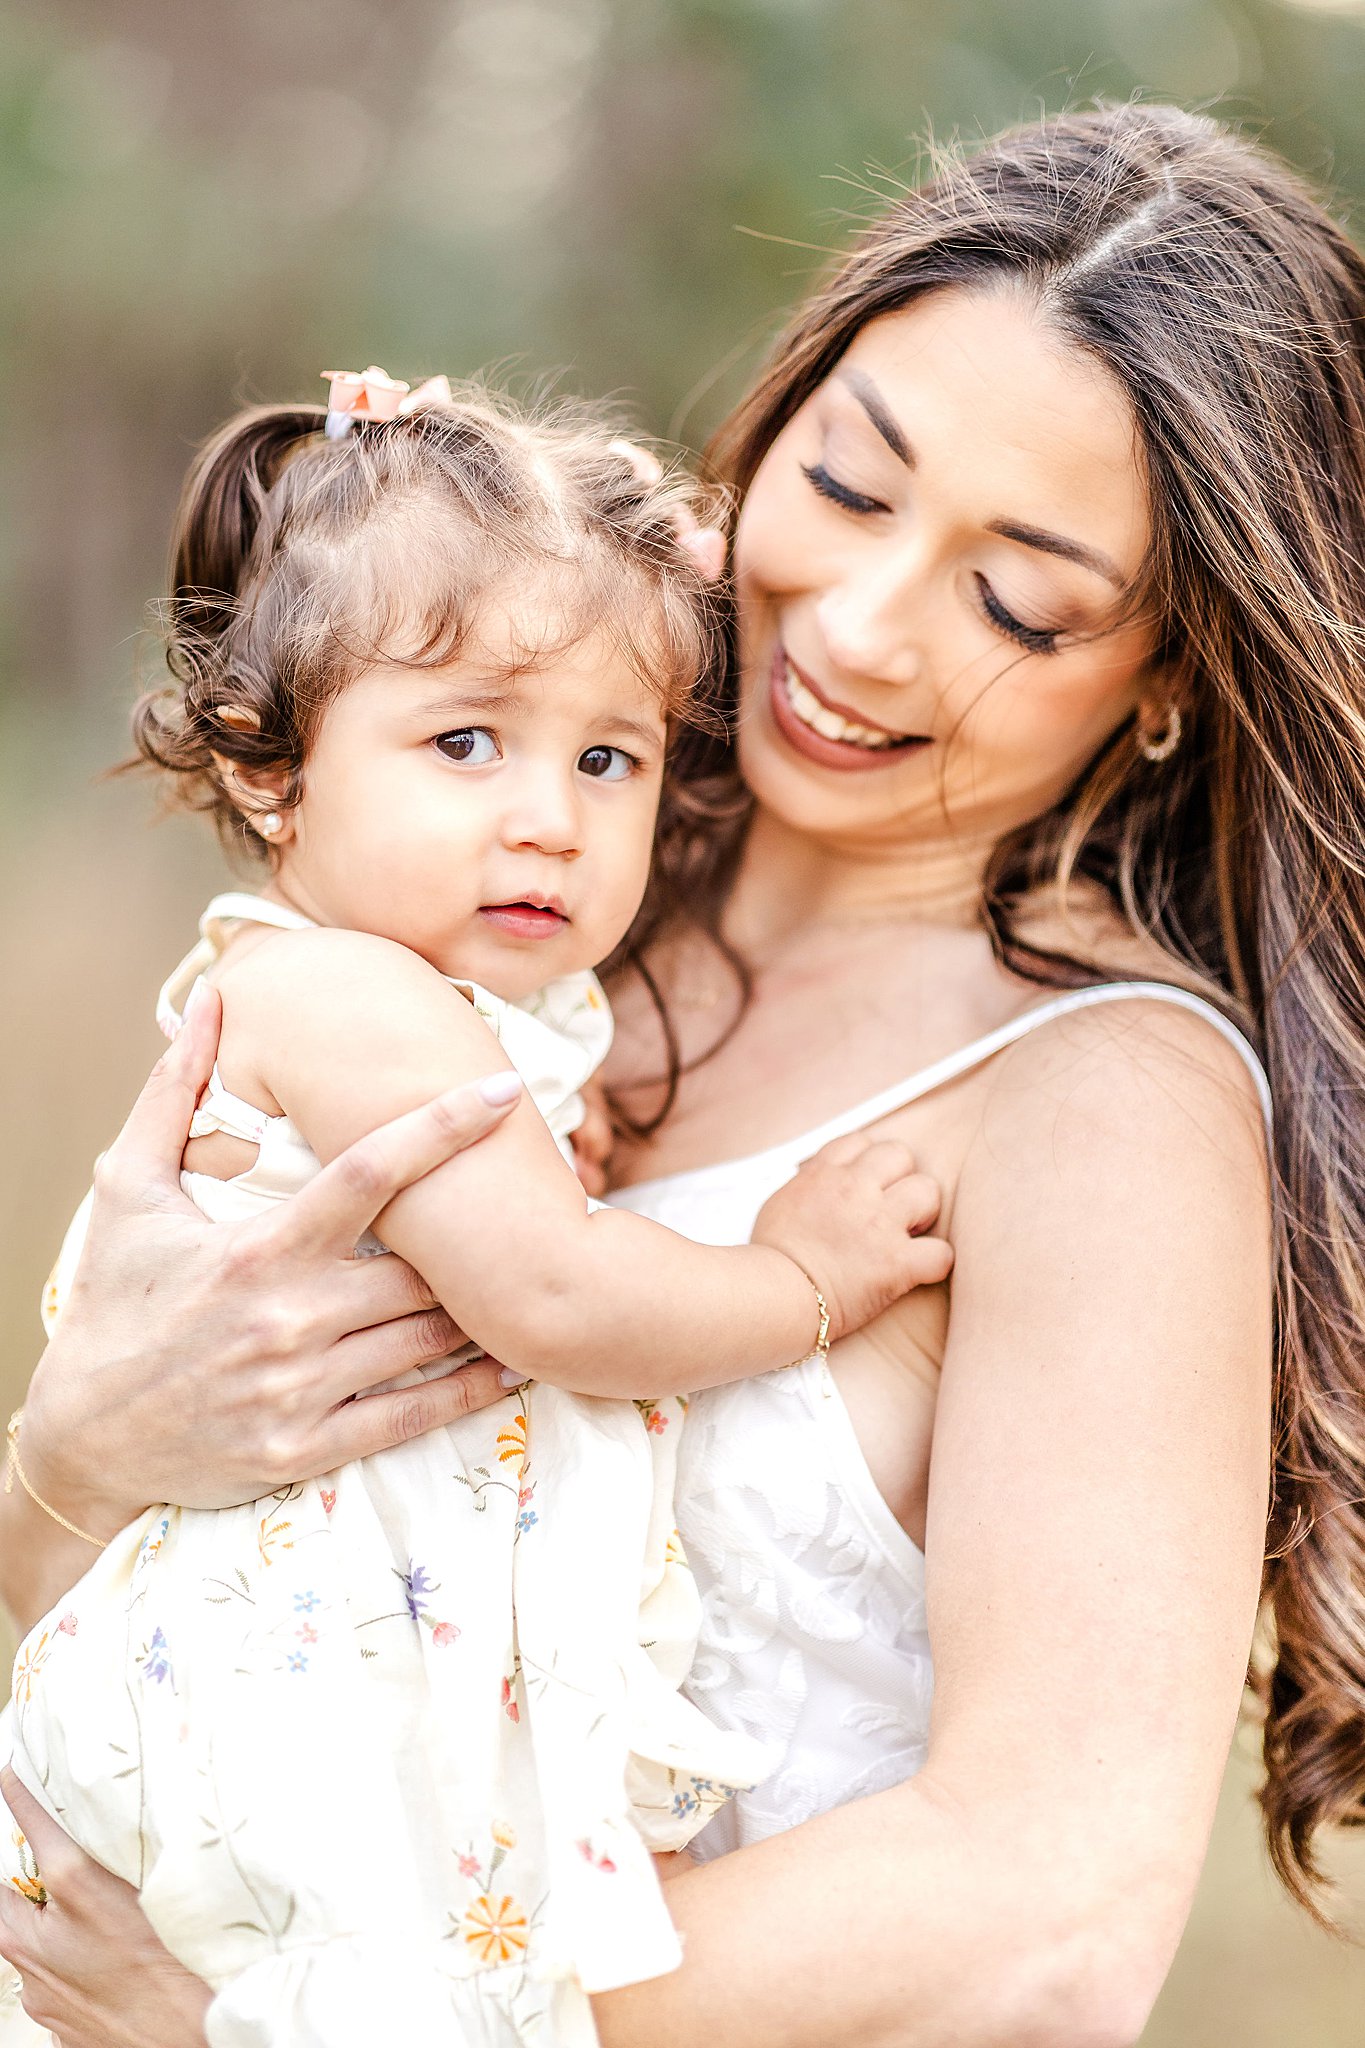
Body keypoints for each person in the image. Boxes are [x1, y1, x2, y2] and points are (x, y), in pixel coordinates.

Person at [3, 100, 1364, 2048]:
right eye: (852, 481)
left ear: (1161, 673)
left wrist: (310, 2017)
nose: (863, 627)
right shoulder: (526, 897)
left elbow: (1043, 1904)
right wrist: (72, 1457)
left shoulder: (1099, 1107)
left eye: (1017, 599)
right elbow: (136, 1558)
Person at [0, 376, 950, 2047]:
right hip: (247, 1720)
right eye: (463, 742)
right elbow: (561, 1302)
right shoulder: (342, 1001)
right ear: (273, 773)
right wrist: (801, 1277)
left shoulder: (458, 1003)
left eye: (608, 754)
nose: (547, 814)